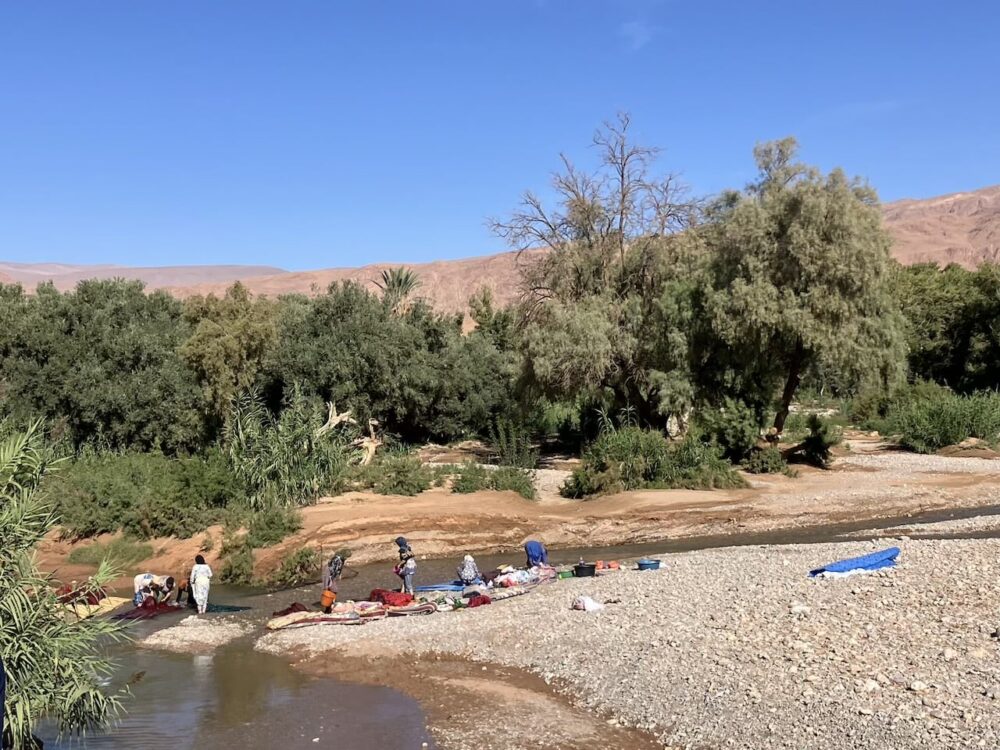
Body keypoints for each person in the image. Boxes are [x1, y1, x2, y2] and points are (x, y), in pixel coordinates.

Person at [322, 549, 350, 613]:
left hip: (331, 575)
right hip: (330, 575)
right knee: (332, 590)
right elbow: (332, 570)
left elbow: (339, 568)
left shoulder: (341, 559)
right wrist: (330, 581)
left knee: (332, 590)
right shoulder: (337, 560)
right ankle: (328, 607)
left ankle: (329, 606)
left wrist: (339, 575)